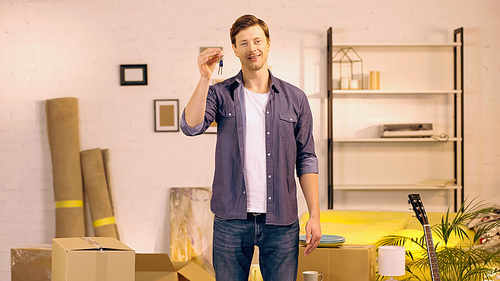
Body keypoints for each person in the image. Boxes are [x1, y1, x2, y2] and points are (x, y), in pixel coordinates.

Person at [181, 14, 321, 281]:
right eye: (243, 43)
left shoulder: (295, 99)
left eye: (257, 41)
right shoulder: (220, 93)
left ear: (268, 43)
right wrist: (204, 78)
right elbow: (191, 126)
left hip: (281, 221)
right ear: (234, 49)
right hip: (231, 220)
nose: (251, 48)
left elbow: (307, 158)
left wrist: (314, 214)